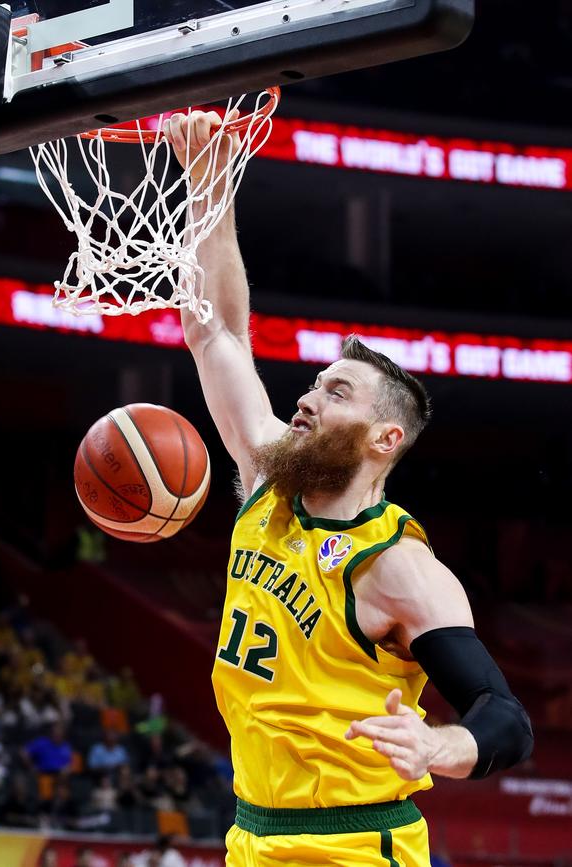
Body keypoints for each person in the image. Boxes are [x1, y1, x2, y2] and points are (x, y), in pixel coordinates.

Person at [163, 111, 534, 866]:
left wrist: (439, 742)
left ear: (384, 438)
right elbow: (215, 333)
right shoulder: (267, 474)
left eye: (334, 392)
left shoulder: (397, 567)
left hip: (359, 845)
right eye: (312, 384)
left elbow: (506, 717)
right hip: (253, 835)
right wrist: (210, 181)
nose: (305, 399)